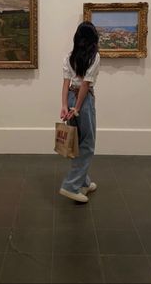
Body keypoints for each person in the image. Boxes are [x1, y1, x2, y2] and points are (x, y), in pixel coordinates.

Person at [59, 21, 100, 203]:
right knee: (87, 143)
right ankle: (70, 186)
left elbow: (66, 83)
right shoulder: (94, 56)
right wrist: (77, 107)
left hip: (70, 98)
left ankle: (84, 182)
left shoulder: (70, 56)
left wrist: (64, 105)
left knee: (76, 140)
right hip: (84, 100)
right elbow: (85, 84)